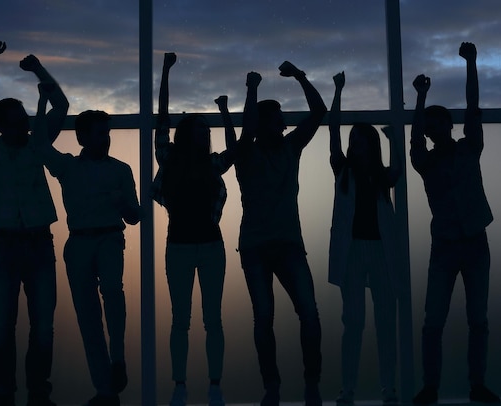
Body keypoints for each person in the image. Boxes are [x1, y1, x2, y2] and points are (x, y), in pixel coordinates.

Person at [150, 53, 258, 406]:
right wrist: (165, 72)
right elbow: (161, 118)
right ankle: (181, 384)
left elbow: (240, 146)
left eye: (204, 132)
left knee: (211, 318)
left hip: (208, 247)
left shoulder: (211, 164)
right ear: (186, 135)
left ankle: (213, 384)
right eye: (198, 131)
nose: (202, 135)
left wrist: (232, 108)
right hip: (182, 246)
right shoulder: (169, 157)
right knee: (182, 319)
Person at [0, 39, 68, 406]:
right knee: (4, 326)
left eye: (23, 123)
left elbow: (60, 105)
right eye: (14, 125)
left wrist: (39, 70)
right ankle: (6, 393)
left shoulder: (35, 144)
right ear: (1, 126)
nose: (21, 129)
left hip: (38, 242)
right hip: (5, 243)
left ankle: (36, 392)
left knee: (42, 326)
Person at [32, 80, 140, 406]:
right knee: (88, 316)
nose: (105, 139)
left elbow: (134, 216)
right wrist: (41, 102)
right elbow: (38, 144)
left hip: (108, 237)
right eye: (100, 133)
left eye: (107, 133)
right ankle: (105, 389)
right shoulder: (68, 166)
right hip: (79, 244)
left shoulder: (121, 170)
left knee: (111, 293)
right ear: (82, 137)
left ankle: (117, 359)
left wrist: (120, 202)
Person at [410, 42, 499, 405]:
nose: (434, 130)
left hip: (472, 240)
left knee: (476, 319)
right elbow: (414, 138)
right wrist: (420, 98)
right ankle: (433, 387)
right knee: (436, 320)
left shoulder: (467, 148)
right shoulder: (427, 162)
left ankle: (474, 385)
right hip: (449, 244)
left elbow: (474, 107)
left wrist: (473, 64)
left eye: (437, 124)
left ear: (446, 125)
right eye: (431, 127)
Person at [234, 61, 327, 406]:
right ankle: (277, 386)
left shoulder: (288, 148)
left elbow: (319, 111)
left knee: (304, 314)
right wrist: (253, 89)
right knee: (271, 318)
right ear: (264, 124)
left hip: (280, 245)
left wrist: (301, 75)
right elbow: (247, 129)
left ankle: (307, 383)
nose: (284, 123)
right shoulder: (247, 151)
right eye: (278, 119)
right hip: (260, 247)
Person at [328, 71, 402, 406]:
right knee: (354, 322)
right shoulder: (342, 170)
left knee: (386, 320)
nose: (354, 144)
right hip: (353, 252)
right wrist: (338, 91)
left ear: (369, 144)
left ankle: (389, 387)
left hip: (380, 251)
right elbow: (332, 130)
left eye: (360, 140)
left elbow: (398, 165)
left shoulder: (382, 176)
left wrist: (393, 135)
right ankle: (348, 389)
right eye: (352, 140)